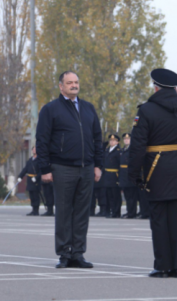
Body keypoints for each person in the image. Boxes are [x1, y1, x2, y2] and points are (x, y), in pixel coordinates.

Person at [128, 68, 177, 278]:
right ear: (175, 88)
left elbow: (137, 146)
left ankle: (162, 266)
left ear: (155, 87)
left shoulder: (146, 110)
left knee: (159, 219)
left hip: (156, 168)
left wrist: (133, 173)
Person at [36, 71, 103, 269]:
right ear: (61, 86)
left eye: (76, 82)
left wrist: (98, 165)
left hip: (87, 168)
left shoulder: (88, 108)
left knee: (82, 213)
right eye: (69, 82)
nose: (74, 85)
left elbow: (97, 139)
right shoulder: (50, 109)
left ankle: (78, 253)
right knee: (64, 212)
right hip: (62, 167)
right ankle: (64, 253)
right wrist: (45, 168)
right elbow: (42, 140)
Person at [119, 133, 139, 218]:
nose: (126, 140)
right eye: (125, 139)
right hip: (124, 176)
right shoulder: (123, 149)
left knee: (132, 197)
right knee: (127, 196)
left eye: (128, 139)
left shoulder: (133, 149)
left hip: (130, 175)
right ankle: (129, 211)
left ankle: (132, 213)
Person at [18, 146, 42, 216]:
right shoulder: (30, 160)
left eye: (35, 149)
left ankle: (36, 210)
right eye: (33, 149)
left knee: (36, 196)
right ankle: (33, 210)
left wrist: (36, 178)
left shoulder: (39, 160)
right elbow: (25, 169)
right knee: (31, 196)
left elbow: (41, 171)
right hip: (30, 180)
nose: (34, 150)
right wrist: (20, 176)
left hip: (36, 181)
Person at [104, 134, 122, 218]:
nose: (112, 142)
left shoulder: (118, 151)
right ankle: (110, 211)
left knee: (115, 195)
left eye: (114, 140)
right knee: (109, 195)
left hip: (115, 175)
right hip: (107, 175)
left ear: (117, 142)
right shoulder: (107, 150)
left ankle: (116, 212)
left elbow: (120, 165)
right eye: (110, 140)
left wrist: (119, 177)